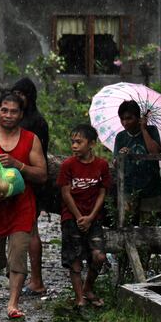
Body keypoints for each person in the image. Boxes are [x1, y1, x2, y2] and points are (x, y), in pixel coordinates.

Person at [0, 92, 48, 319]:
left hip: (21, 206)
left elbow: (42, 174)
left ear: (21, 114)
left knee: (18, 254)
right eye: (4, 110)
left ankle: (13, 303)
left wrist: (18, 165)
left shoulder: (31, 139)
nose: (8, 115)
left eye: (13, 111)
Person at [58, 124, 111, 308]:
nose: (74, 146)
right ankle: (79, 297)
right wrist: (80, 217)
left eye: (79, 142)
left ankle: (88, 287)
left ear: (91, 144)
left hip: (93, 218)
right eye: (72, 142)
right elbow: (66, 193)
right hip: (71, 217)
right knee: (75, 260)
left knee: (99, 256)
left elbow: (102, 193)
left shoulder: (101, 165)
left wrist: (91, 217)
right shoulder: (68, 165)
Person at [11, 77, 51, 297]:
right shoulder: (24, 118)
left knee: (31, 230)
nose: (17, 98)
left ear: (29, 97)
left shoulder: (34, 122)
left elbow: (37, 157)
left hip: (30, 180)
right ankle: (26, 277)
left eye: (21, 94)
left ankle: (37, 281)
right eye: (15, 93)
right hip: (20, 179)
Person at [113, 99, 161, 225]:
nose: (125, 122)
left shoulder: (151, 131)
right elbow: (115, 164)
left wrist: (144, 130)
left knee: (149, 228)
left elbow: (155, 153)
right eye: (122, 119)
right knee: (127, 225)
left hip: (152, 189)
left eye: (129, 118)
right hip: (128, 189)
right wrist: (121, 157)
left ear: (138, 118)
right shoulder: (121, 137)